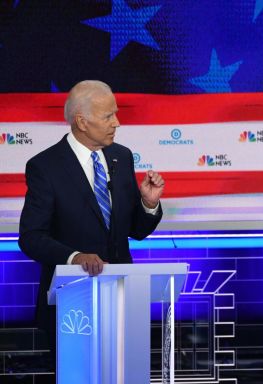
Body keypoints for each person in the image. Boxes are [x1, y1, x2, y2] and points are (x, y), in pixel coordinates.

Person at [19, 80, 164, 357]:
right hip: (72, 303)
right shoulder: (45, 167)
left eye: (116, 113)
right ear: (82, 122)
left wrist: (148, 202)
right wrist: (75, 257)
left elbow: (135, 230)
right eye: (108, 116)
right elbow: (31, 237)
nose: (117, 123)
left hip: (122, 300)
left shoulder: (121, 157)